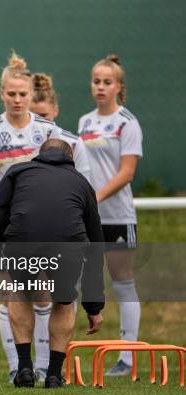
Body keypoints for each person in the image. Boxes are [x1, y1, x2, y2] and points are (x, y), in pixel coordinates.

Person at [0, 52, 90, 383]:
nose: (17, 99)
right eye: (11, 94)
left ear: (31, 95)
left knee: (44, 296)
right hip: (6, 226)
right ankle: (17, 368)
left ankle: (41, 367)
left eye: (23, 94)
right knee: (10, 294)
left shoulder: (48, 130)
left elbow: (73, 164)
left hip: (41, 227)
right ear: (2, 94)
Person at [0, 138, 105, 388]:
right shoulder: (82, 183)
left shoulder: (18, 171)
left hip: (22, 239)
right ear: (71, 157)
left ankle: (25, 370)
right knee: (63, 301)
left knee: (20, 294)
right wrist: (94, 307)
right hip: (69, 242)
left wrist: (4, 238)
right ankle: (53, 375)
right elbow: (96, 244)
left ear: (39, 154)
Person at [78, 54, 143, 377]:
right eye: (96, 81)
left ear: (118, 86)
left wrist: (95, 197)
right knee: (82, 281)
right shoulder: (85, 122)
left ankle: (127, 357)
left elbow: (127, 173)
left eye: (107, 82)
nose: (100, 87)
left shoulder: (127, 122)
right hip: (89, 219)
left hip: (118, 216)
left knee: (123, 284)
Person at [28, 72, 91, 378]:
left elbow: (87, 189)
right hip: (32, 233)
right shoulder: (28, 145)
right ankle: (39, 367)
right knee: (35, 294)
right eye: (33, 114)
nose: (38, 120)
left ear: (54, 113)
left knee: (64, 296)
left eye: (43, 115)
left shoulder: (73, 144)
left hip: (68, 233)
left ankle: (53, 366)